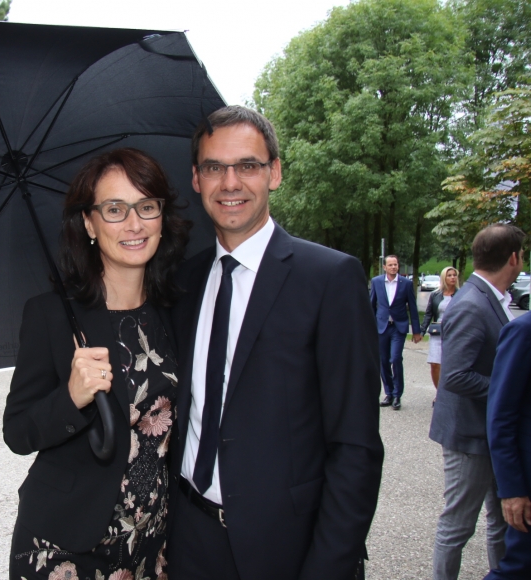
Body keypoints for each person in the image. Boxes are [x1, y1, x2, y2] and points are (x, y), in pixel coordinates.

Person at [167, 105, 383, 579]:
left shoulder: (330, 278)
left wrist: (328, 566)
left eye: (247, 165)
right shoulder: (183, 281)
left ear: (275, 173)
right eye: (214, 167)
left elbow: (356, 446)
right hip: (189, 540)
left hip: (288, 550)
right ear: (197, 180)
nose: (230, 182)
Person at [3, 148, 190, 580]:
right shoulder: (51, 315)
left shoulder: (176, 310)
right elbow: (18, 432)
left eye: (146, 206)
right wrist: (70, 398)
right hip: (66, 546)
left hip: (153, 543)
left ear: (162, 217)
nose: (133, 223)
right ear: (88, 223)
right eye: (114, 209)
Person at [429, 223, 524, 580]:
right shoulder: (472, 304)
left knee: (502, 520)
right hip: (469, 436)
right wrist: (511, 389)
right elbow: (454, 376)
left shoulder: (488, 298)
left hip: (488, 433)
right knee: (457, 526)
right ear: (513, 258)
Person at [484, 312, 531, 579]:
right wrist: (512, 490)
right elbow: (500, 417)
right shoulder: (524, 331)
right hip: (526, 485)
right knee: (517, 569)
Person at [370, 255, 422, 410]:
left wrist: (417, 331)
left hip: (398, 327)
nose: (393, 267)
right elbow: (371, 305)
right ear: (384, 267)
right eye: (390, 265)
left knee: (396, 358)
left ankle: (398, 394)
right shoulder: (376, 282)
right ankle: (389, 393)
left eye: (396, 265)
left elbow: (413, 307)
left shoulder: (406, 284)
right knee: (383, 361)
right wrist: (369, 327)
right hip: (382, 327)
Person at [421, 266, 461, 402]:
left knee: (452, 364)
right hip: (438, 331)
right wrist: (421, 331)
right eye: (449, 275)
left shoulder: (461, 294)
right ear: (444, 277)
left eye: (454, 275)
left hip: (455, 332)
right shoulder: (435, 295)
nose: (452, 278)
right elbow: (428, 314)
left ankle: (451, 393)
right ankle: (440, 393)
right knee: (435, 364)